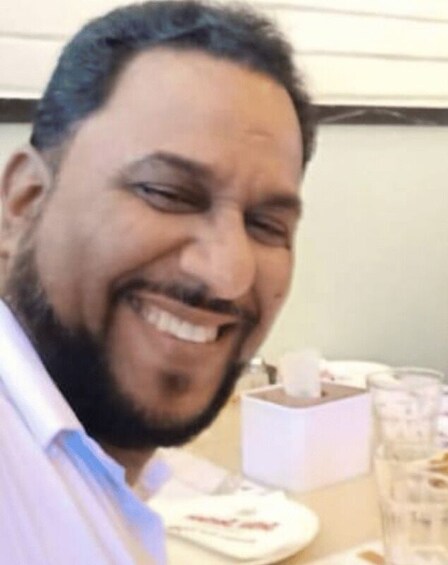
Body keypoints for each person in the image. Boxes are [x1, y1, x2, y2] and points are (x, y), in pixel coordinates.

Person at [0, 1, 316, 561]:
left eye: (266, 225)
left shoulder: (100, 470)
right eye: (167, 193)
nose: (227, 273)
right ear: (23, 203)